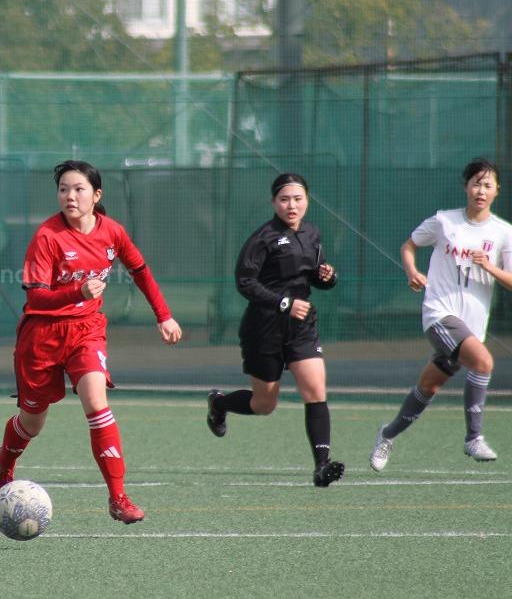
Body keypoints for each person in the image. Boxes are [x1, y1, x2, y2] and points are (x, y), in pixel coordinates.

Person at [0, 160, 182, 524]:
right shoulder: (47, 237)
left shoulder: (112, 232)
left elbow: (140, 270)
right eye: (63, 189)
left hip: (86, 331)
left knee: (97, 403)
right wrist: (76, 291)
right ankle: (4, 464)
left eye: (78, 189)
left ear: (96, 195)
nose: (70, 196)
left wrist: (164, 315)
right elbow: (36, 298)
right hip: (42, 336)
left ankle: (118, 498)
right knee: (32, 423)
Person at [370, 158, 512, 471]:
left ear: (497, 191)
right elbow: (409, 245)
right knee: (484, 362)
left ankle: (387, 434)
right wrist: (412, 271)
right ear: (466, 187)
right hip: (440, 314)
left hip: (472, 326)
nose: (481, 190)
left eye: (487, 185)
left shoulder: (504, 232)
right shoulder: (445, 221)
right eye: (476, 183)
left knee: (429, 387)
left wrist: (489, 267)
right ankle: (473, 437)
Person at [206, 172, 345, 488]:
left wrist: (327, 277)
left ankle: (322, 466)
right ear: (273, 203)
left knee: (315, 391)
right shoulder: (263, 238)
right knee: (264, 404)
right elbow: (245, 282)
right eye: (284, 199)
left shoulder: (312, 233)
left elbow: (313, 277)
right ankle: (219, 404)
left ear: (307, 201)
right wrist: (284, 303)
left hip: (302, 326)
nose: (291, 205)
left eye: (297, 199)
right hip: (264, 328)